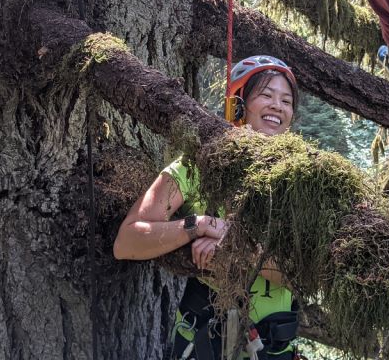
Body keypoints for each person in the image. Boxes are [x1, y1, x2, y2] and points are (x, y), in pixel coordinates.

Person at [113, 56, 301, 360]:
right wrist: (198, 225)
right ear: (237, 104)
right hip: (200, 344)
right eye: (266, 95)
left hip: (270, 347)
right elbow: (127, 242)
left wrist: (235, 247)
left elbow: (297, 274)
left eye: (286, 100)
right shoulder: (197, 166)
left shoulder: (301, 182)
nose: (278, 106)